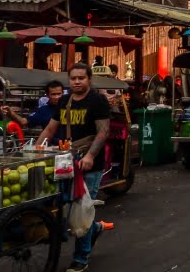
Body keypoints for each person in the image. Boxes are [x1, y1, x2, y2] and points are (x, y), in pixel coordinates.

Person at [37, 63, 110, 272]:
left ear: (89, 79)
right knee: (70, 209)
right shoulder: (64, 101)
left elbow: (103, 132)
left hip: (89, 164)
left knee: (81, 207)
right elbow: (51, 128)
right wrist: (36, 149)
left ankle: (81, 257)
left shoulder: (98, 101)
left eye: (81, 78)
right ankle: (94, 228)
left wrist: (89, 156)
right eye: (73, 78)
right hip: (66, 161)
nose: (77, 82)